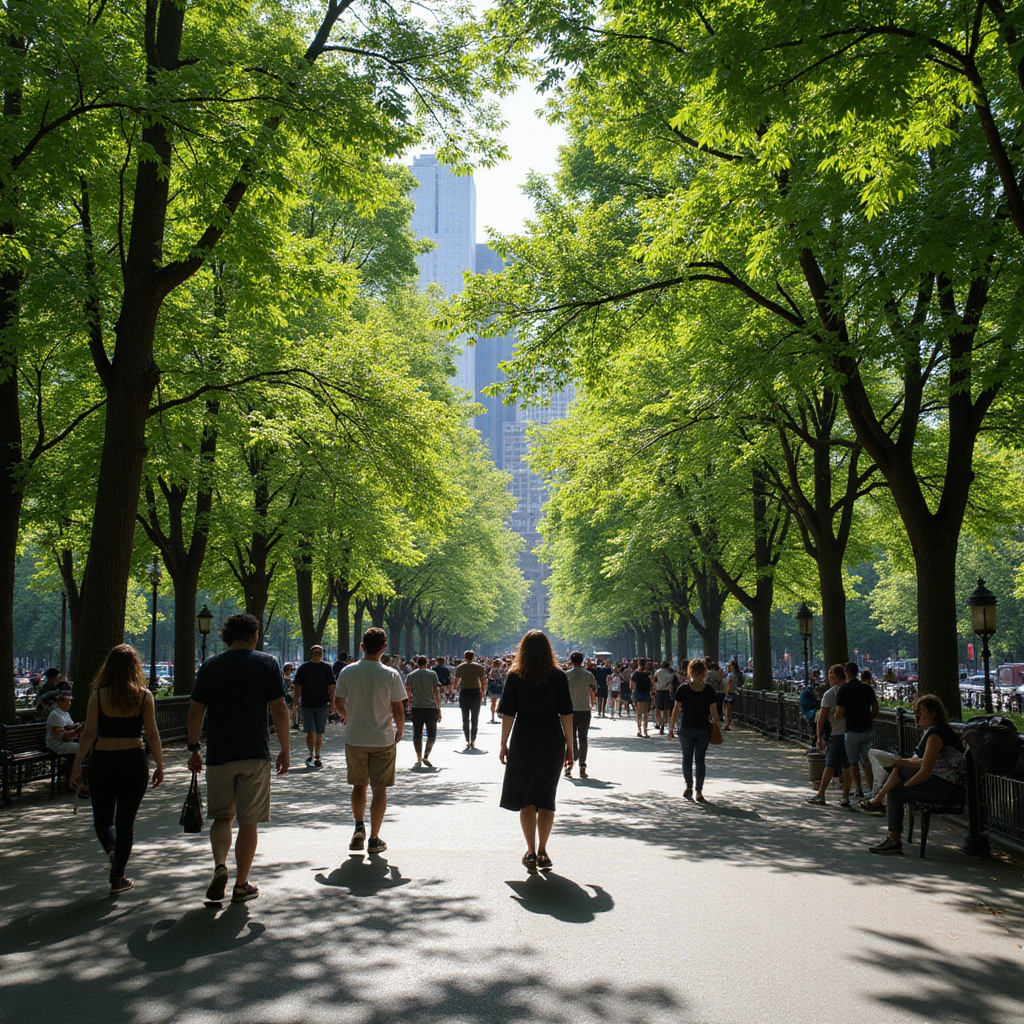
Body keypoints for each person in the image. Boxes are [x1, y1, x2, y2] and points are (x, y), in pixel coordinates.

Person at [187, 613, 290, 904]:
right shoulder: (267, 663)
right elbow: (279, 709)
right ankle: (241, 885)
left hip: (219, 754)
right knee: (249, 821)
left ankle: (220, 865)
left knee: (222, 816)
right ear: (254, 636)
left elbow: (195, 711)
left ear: (225, 637)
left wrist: (194, 748)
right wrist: (285, 748)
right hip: (254, 753)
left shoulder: (210, 666)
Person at [68, 645, 164, 896]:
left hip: (104, 762)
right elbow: (152, 733)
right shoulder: (144, 697)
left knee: (102, 819)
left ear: (108, 667)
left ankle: (112, 850)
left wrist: (77, 765)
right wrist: (160, 765)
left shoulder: (98, 697)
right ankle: (118, 876)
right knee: (126, 823)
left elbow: (88, 733)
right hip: (134, 762)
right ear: (135, 668)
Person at [498, 630, 573, 872]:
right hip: (552, 738)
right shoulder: (559, 676)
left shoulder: (515, 676)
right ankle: (543, 849)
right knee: (547, 796)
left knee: (527, 796)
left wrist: (503, 743)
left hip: (524, 738)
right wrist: (571, 747)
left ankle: (530, 851)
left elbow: (508, 713)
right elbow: (566, 714)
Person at [860, 694, 966, 855]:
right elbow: (925, 761)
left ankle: (893, 839)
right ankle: (878, 799)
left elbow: (925, 770)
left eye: (921, 712)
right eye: (916, 712)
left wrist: (906, 786)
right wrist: (903, 763)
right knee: (900, 769)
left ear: (933, 714)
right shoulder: (938, 731)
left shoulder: (935, 735)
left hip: (947, 788)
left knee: (896, 793)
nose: (917, 716)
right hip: (945, 783)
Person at [336, 627, 407, 854]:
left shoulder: (348, 672)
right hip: (382, 738)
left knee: (359, 785)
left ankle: (358, 826)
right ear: (384, 648)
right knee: (379, 789)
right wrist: (400, 729)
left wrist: (350, 717)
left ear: (362, 647)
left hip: (355, 737)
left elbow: (338, 703)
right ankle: (374, 838)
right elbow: (398, 707)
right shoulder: (391, 674)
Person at [668, 658, 721, 802]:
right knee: (700, 760)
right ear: (704, 673)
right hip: (703, 728)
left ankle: (688, 786)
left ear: (689, 671)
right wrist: (717, 725)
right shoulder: (709, 690)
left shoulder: (683, 689)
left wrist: (671, 727)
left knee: (686, 758)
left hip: (686, 727)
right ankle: (699, 790)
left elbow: (676, 709)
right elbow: (714, 711)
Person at [807, 664, 852, 808]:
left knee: (830, 764)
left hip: (838, 733)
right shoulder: (852, 690)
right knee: (847, 766)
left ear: (834, 678)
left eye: (830, 678)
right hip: (852, 732)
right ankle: (845, 797)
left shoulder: (830, 694)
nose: (829, 681)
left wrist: (819, 737)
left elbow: (822, 718)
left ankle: (821, 794)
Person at [836, 663, 879, 798]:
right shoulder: (867, 688)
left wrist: (836, 717)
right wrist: (868, 718)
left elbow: (839, 711)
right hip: (867, 729)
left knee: (853, 762)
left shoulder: (843, 690)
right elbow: (875, 708)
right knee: (866, 761)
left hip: (852, 730)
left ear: (846, 672)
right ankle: (872, 790)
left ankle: (859, 789)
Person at [292, 645, 336, 767]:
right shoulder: (304, 667)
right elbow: (297, 686)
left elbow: (331, 687)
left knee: (320, 731)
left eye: (319, 652)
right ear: (311, 653)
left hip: (322, 704)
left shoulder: (327, 668)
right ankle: (311, 754)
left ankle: (317, 754)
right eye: (314, 652)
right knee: (310, 731)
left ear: (322, 653)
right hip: (306, 704)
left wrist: (332, 703)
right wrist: (295, 703)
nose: (316, 653)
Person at [406, 655, 442, 767]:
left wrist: (408, 705)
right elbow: (436, 690)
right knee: (432, 733)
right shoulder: (432, 674)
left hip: (416, 707)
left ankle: (418, 756)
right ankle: (426, 755)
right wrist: (439, 707)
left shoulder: (411, 675)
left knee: (417, 733)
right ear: (427, 663)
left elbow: (408, 691)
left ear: (416, 663)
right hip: (430, 707)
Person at [565, 651, 597, 778]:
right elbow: (594, 688)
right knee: (583, 738)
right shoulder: (588, 675)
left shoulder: (566, 675)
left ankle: (569, 764)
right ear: (582, 660)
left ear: (571, 661)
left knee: (570, 738)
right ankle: (582, 765)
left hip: (569, 710)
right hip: (584, 709)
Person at [454, 650, 487, 749]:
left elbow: (456, 682)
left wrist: (454, 690)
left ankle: (467, 738)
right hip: (475, 692)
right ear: (473, 657)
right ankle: (473, 738)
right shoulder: (479, 667)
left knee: (465, 718)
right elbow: (483, 682)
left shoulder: (460, 667)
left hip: (464, 692)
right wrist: (483, 693)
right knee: (475, 717)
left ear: (465, 657)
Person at [630, 659, 653, 737]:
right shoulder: (648, 674)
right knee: (645, 713)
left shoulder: (635, 673)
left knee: (639, 712)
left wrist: (632, 693)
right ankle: (645, 730)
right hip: (646, 693)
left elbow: (631, 685)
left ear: (638, 664)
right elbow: (652, 684)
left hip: (638, 693)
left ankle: (639, 730)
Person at [653, 661, 675, 734]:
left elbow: (654, 680)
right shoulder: (671, 673)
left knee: (659, 709)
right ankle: (665, 722)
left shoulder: (658, 672)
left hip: (659, 691)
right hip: (667, 692)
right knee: (666, 709)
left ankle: (660, 722)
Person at [723, 658, 743, 731]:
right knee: (728, 709)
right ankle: (727, 723)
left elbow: (729, 684)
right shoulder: (736, 674)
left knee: (727, 709)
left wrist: (727, 690)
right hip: (732, 692)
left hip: (729, 692)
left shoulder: (731, 675)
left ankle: (727, 723)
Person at [487, 658, 505, 723]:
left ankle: (492, 717)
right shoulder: (502, 671)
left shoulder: (492, 670)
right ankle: (501, 714)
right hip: (500, 688)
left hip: (493, 688)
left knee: (493, 703)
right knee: (501, 702)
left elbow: (489, 678)